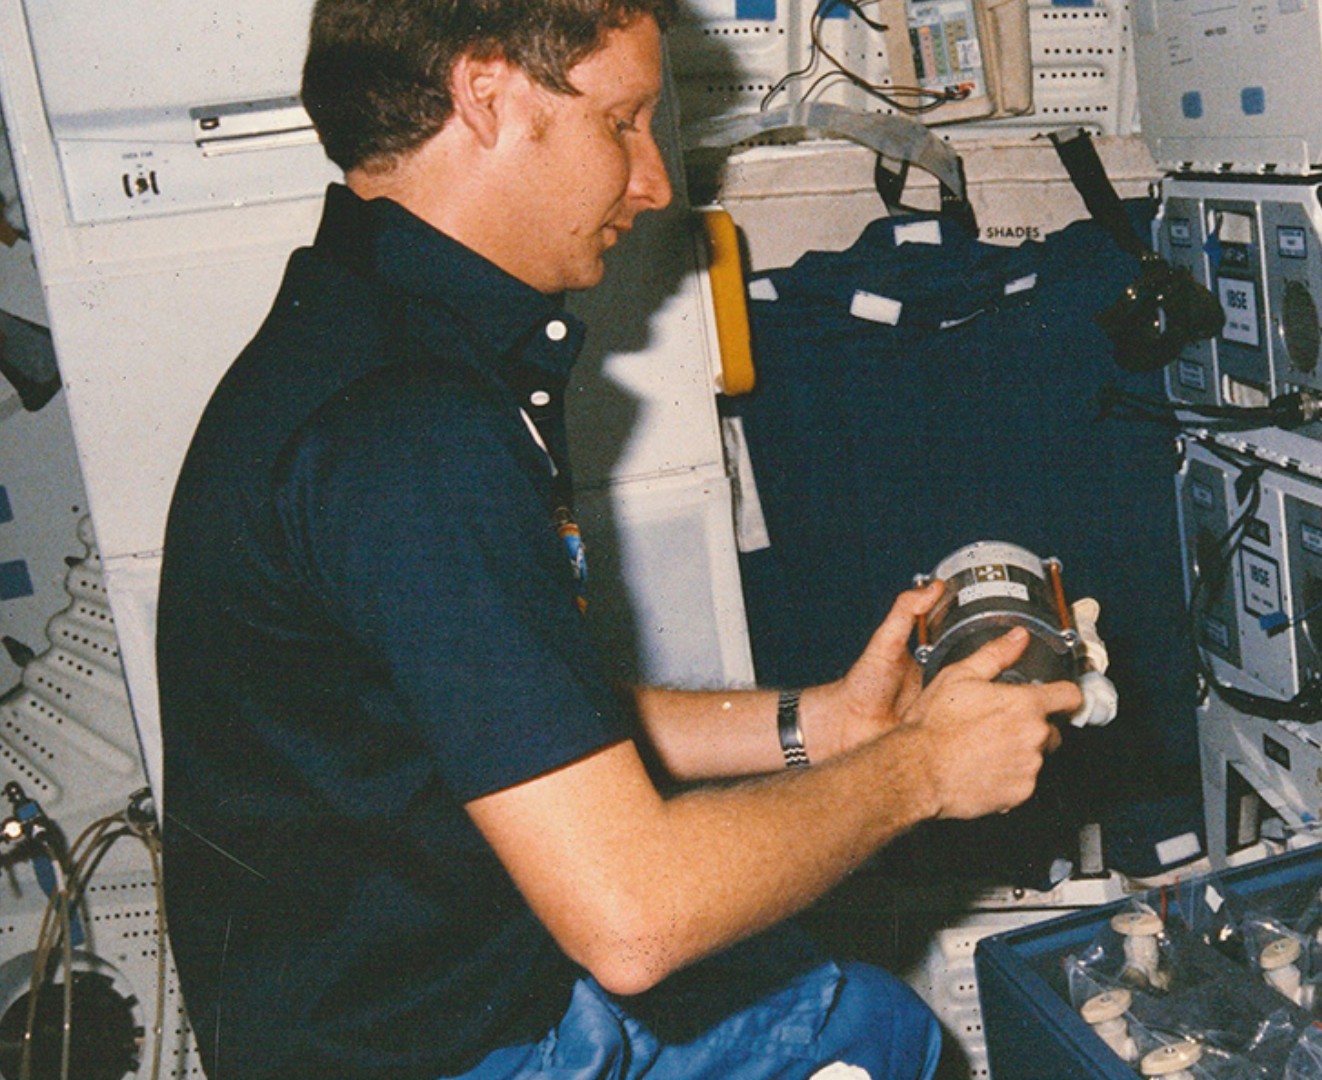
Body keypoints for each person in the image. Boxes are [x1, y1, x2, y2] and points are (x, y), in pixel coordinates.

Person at [153, 2, 1082, 1078]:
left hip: (419, 1007)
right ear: (487, 94)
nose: (651, 184)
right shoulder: (409, 431)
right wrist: (923, 770)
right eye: (623, 123)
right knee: (875, 1037)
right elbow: (634, 918)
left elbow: (512, 726)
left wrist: (820, 725)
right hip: (449, 1052)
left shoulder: (358, 341)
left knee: (872, 1024)